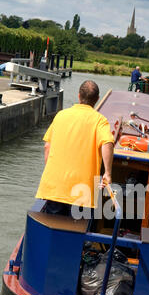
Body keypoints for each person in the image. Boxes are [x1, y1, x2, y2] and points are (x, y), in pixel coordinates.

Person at [35, 80, 114, 216]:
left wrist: (52, 173)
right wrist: (107, 173)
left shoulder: (61, 115)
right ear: (96, 100)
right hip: (82, 191)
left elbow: (47, 146)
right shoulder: (100, 120)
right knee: (75, 232)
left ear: (79, 96)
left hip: (55, 187)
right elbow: (107, 143)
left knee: (53, 229)